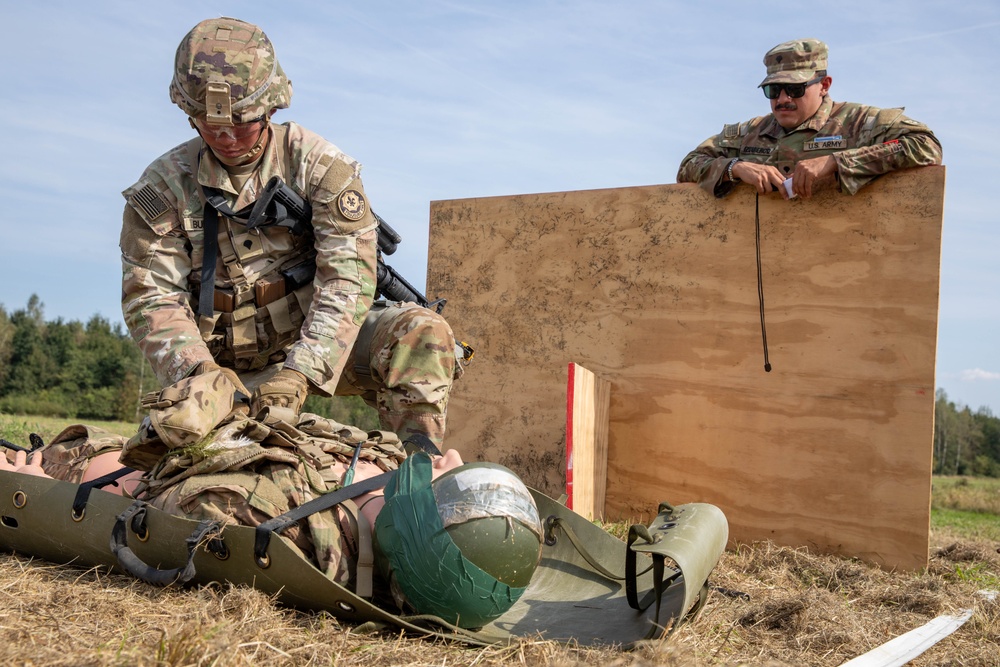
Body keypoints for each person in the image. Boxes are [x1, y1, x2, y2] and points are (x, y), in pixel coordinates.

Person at [119, 17, 463, 449]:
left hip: (315, 346)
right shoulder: (164, 186)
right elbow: (151, 297)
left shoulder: (319, 167)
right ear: (188, 114)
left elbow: (347, 279)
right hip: (218, 368)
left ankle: (417, 483)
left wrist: (299, 373)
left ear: (273, 107)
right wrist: (201, 379)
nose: (225, 136)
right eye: (209, 123)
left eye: (242, 121)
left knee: (421, 332)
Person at [677, 38, 942, 200]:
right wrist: (735, 167)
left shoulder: (861, 122)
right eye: (773, 90)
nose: (782, 99)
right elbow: (689, 165)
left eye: (795, 89)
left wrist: (836, 162)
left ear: (824, 85)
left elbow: (926, 145)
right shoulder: (749, 132)